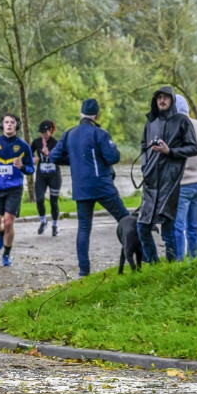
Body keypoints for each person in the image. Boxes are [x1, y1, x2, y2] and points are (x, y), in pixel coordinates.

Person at [49, 99, 128, 277]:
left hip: (81, 187)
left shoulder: (69, 134)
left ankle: (84, 270)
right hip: (102, 186)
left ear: (81, 114)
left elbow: (54, 156)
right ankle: (142, 257)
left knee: (84, 227)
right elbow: (113, 157)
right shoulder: (99, 133)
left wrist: (73, 161)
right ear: (96, 116)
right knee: (125, 220)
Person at [136, 85, 197, 264]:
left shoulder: (182, 121)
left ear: (171, 100)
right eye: (159, 97)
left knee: (168, 230)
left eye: (165, 97)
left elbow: (193, 148)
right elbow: (143, 145)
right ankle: (154, 265)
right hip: (150, 182)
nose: (162, 100)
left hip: (169, 183)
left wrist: (170, 151)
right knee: (142, 226)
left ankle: (171, 267)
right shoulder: (151, 121)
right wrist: (144, 167)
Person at [0, 113, 34, 267]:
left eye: (12, 122)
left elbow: (31, 169)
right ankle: (1, 232)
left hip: (14, 189)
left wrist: (21, 167)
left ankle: (6, 254)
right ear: (2, 125)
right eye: (6, 122)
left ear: (16, 126)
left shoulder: (23, 146)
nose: (9, 125)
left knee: (9, 222)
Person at [171, 95, 197, 259]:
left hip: (182, 184)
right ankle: (195, 259)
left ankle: (179, 261)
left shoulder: (175, 129)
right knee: (194, 226)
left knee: (178, 226)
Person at [30, 120, 62, 237]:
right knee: (39, 199)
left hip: (54, 176)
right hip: (41, 176)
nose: (43, 134)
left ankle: (54, 225)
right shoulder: (37, 142)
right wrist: (32, 158)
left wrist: (49, 154)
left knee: (54, 201)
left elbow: (62, 157)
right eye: (41, 132)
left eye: (45, 132)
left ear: (50, 131)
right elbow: (29, 152)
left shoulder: (56, 143)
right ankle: (43, 221)